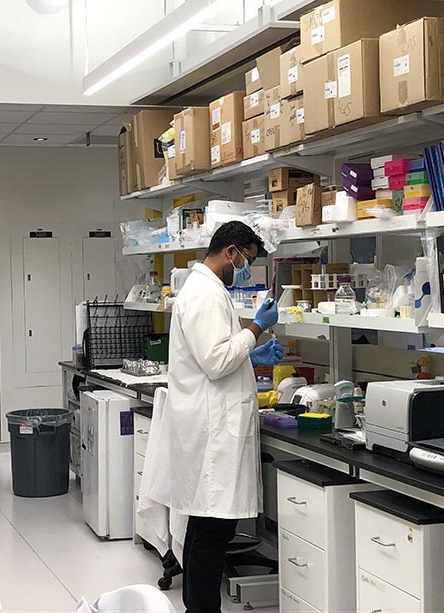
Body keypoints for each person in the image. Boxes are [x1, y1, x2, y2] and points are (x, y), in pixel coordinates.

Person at [165, 221, 282, 613]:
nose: (246, 269)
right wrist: (255, 330)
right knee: (212, 534)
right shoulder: (204, 294)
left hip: (211, 428)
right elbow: (215, 362)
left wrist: (250, 355)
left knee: (205, 529)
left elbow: (214, 353)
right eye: (247, 260)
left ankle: (197, 609)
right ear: (230, 251)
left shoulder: (208, 291)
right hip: (213, 434)